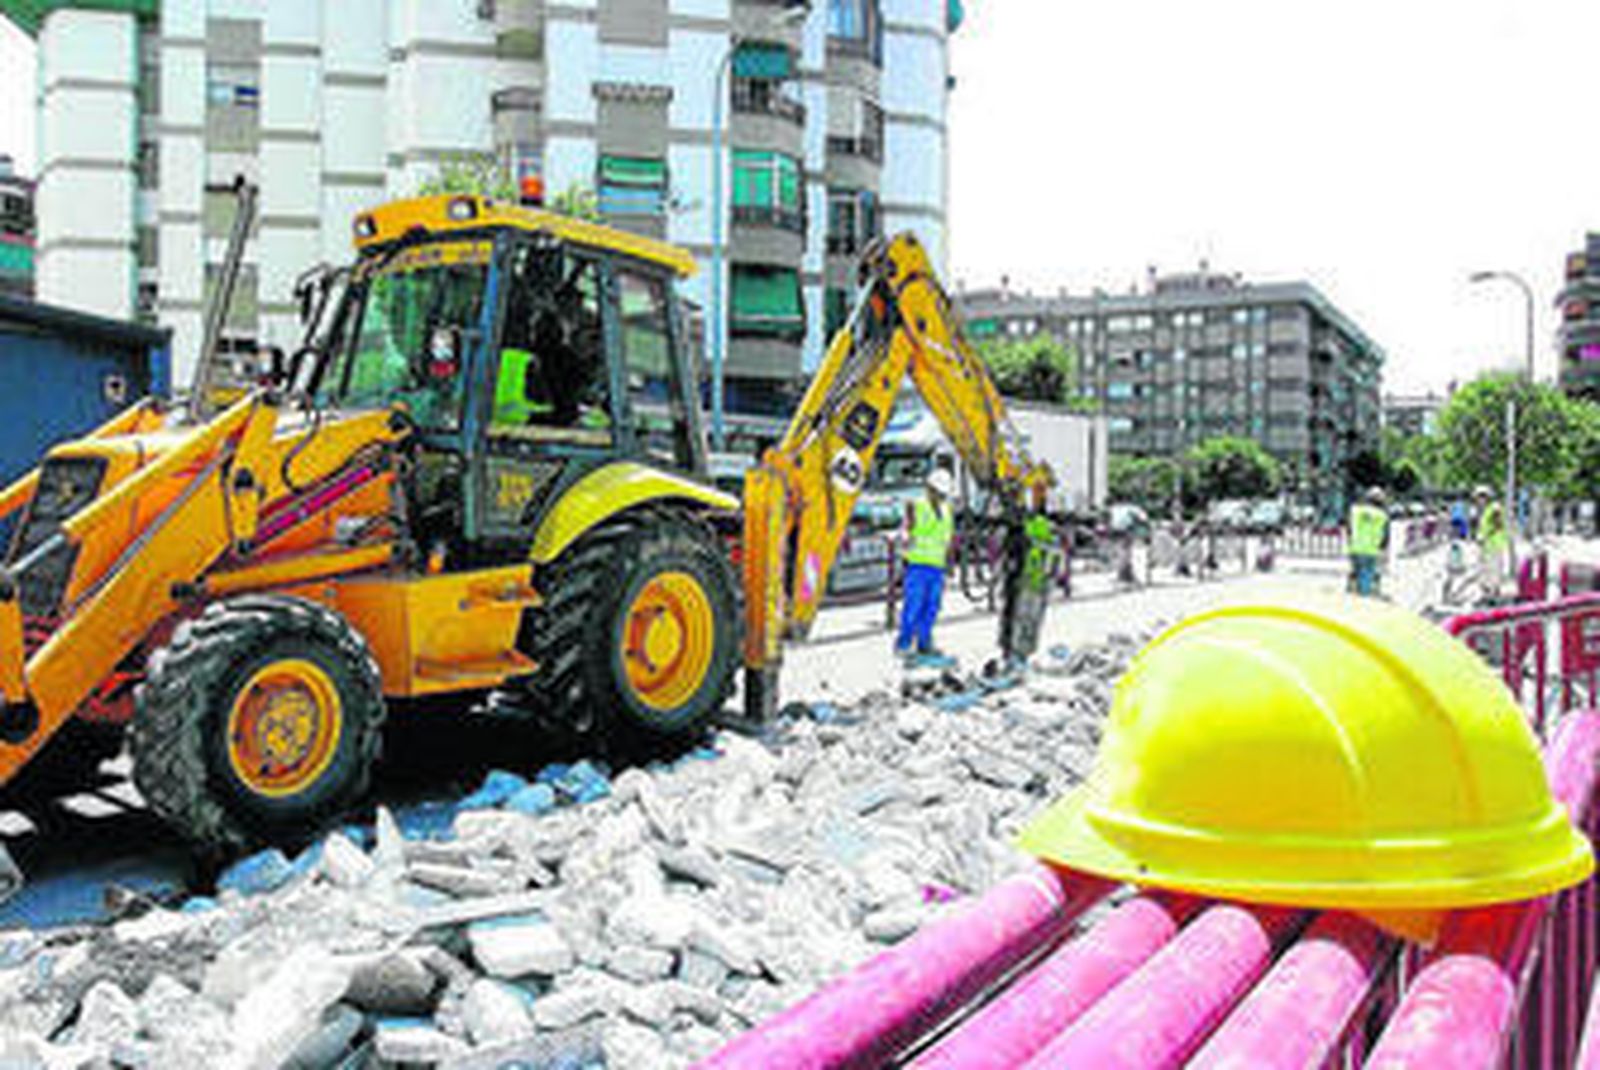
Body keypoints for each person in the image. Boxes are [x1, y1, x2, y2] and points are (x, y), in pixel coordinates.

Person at [896, 467, 956, 666]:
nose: (938, 496)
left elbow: (947, 538)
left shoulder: (947, 511)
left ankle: (924, 642)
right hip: (917, 565)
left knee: (932, 607)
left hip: (936, 567)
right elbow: (905, 531)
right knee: (913, 606)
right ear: (929, 488)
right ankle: (904, 643)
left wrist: (949, 561)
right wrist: (905, 540)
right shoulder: (916, 506)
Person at [1347, 487, 1389, 596]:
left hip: (1355, 548)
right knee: (1367, 576)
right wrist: (1384, 552)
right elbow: (1385, 537)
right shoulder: (1383, 516)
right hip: (1372, 550)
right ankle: (1363, 600)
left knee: (1355, 573)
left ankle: (1351, 596)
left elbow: (1349, 529)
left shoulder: (1355, 511)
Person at [1476, 485, 1509, 601]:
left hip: (1493, 543)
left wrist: (1485, 536)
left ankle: (1493, 593)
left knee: (1493, 569)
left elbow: (1498, 524)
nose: (1479, 500)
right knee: (1484, 569)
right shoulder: (1485, 510)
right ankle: (1488, 593)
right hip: (1486, 545)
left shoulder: (1494, 508)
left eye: (1482, 497)